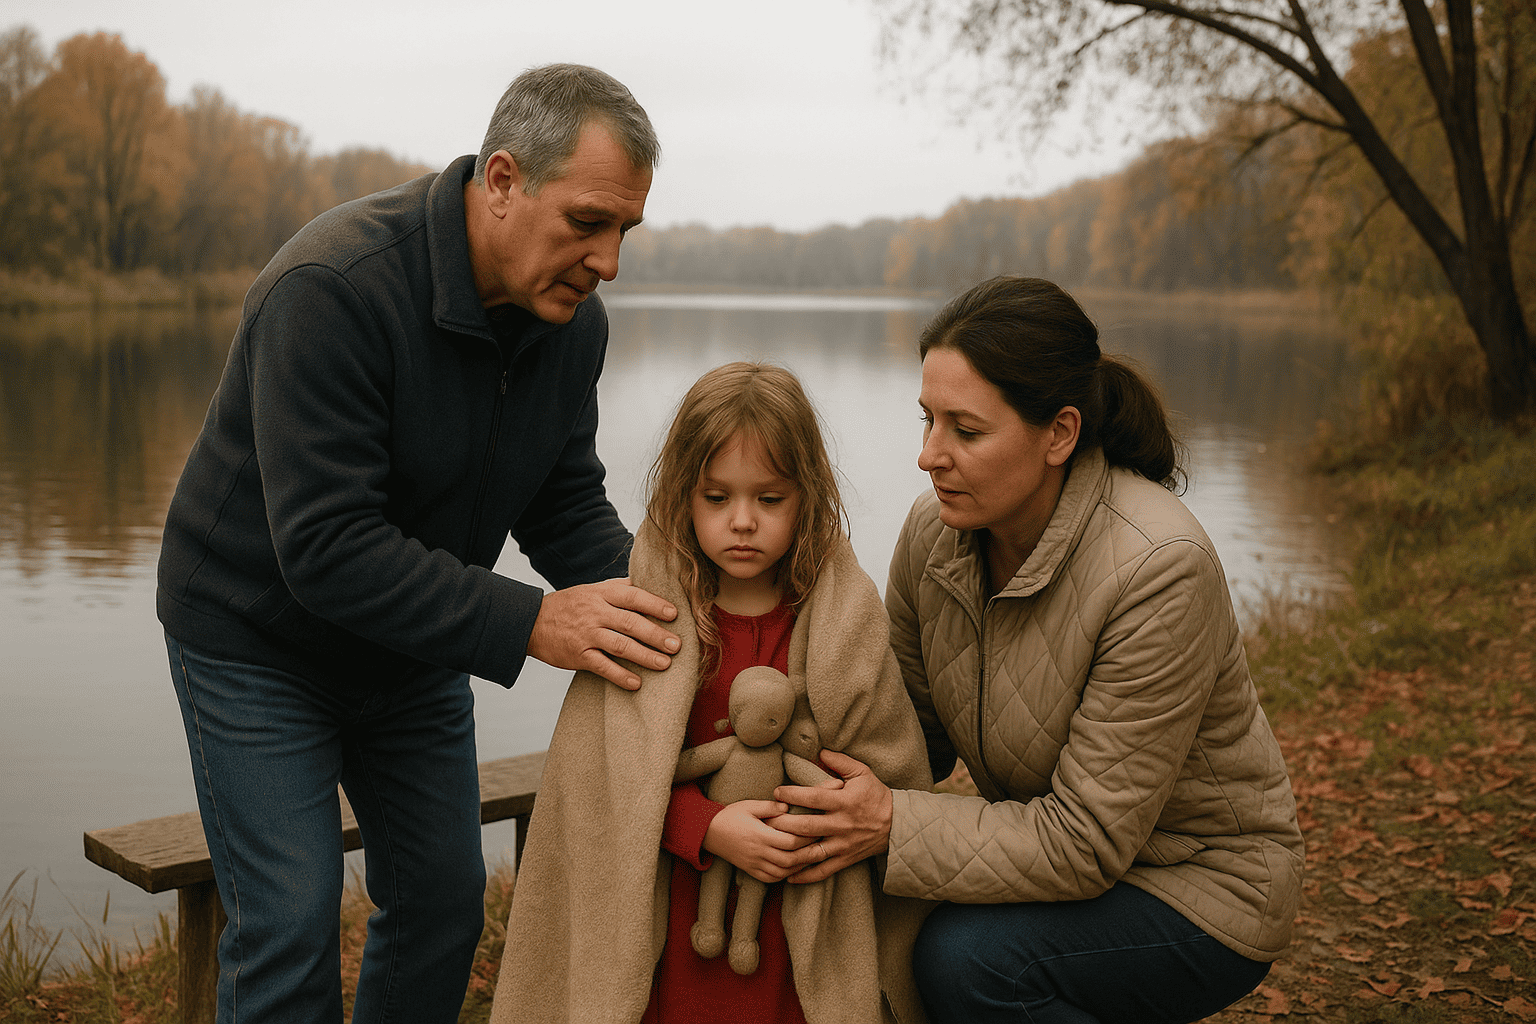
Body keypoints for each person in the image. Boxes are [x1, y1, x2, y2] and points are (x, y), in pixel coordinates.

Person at [156, 64, 681, 1024]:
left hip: (412, 646)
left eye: (625, 232)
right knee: (290, 920)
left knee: (443, 903)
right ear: (504, 180)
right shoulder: (332, 289)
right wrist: (533, 622)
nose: (608, 261)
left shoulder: (571, 324)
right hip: (254, 640)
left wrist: (676, 610)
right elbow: (326, 546)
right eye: (589, 223)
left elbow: (563, 505)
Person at [774, 276, 1306, 1024]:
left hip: (1199, 886)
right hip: (1062, 861)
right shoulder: (935, 536)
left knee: (967, 961)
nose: (929, 456)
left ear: (1058, 433)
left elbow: (1085, 842)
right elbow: (902, 731)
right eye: (927, 420)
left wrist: (890, 825)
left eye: (966, 430)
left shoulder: (1158, 567)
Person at [490, 362, 934, 1024]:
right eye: (717, 497)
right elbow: (604, 785)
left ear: (807, 496)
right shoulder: (647, 619)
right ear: (681, 497)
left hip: (797, 926)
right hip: (671, 924)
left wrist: (817, 823)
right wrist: (708, 827)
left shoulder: (843, 620)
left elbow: (883, 774)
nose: (744, 522)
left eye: (771, 499)